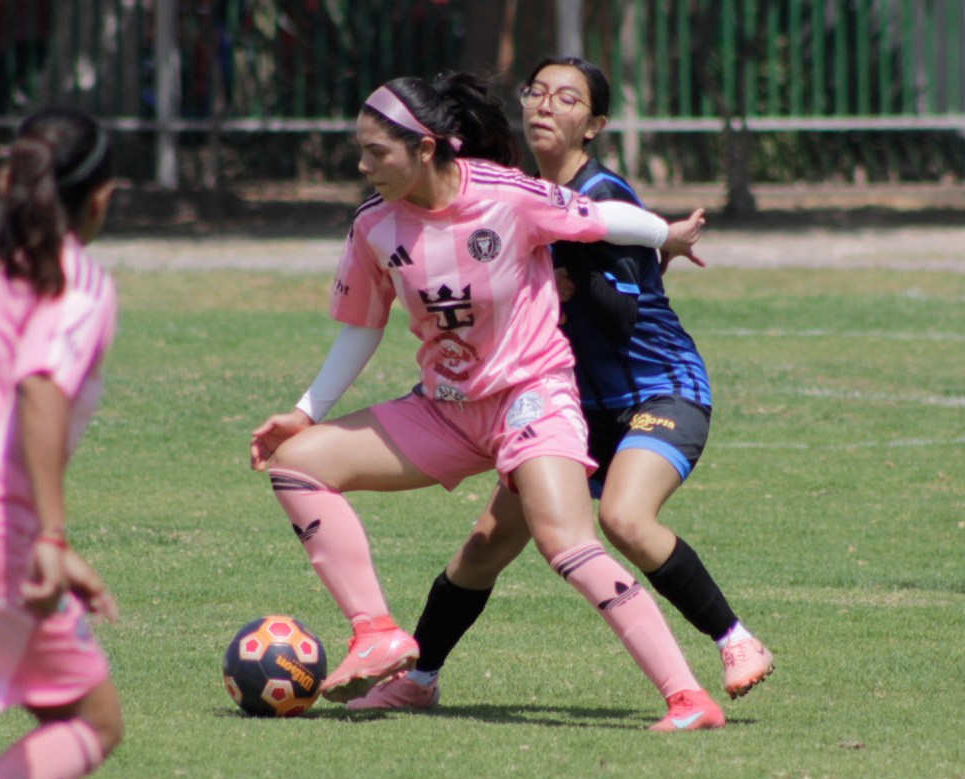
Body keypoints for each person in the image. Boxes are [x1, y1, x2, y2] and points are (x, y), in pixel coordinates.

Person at [250, 70, 726, 731]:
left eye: (374, 152)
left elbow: (599, 218)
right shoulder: (374, 225)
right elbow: (362, 325)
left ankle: (688, 696)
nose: (362, 166)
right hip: (445, 410)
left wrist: (662, 235)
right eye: (359, 151)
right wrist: (303, 411)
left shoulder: (507, 195)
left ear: (425, 149)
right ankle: (377, 631)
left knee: (567, 544)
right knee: (296, 462)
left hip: (532, 399)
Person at [348, 57, 774, 717]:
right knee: (487, 544)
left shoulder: (603, 194)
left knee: (624, 518)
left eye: (567, 99)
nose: (547, 105)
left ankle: (736, 639)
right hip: (566, 405)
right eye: (537, 92)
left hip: (657, 391)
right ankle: (419, 678)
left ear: (594, 124)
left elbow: (621, 315)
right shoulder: (511, 191)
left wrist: (564, 268)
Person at [0, 107, 122, 779]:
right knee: (91, 720)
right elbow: (40, 383)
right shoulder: (73, 275)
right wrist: (51, 534)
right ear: (102, 198)